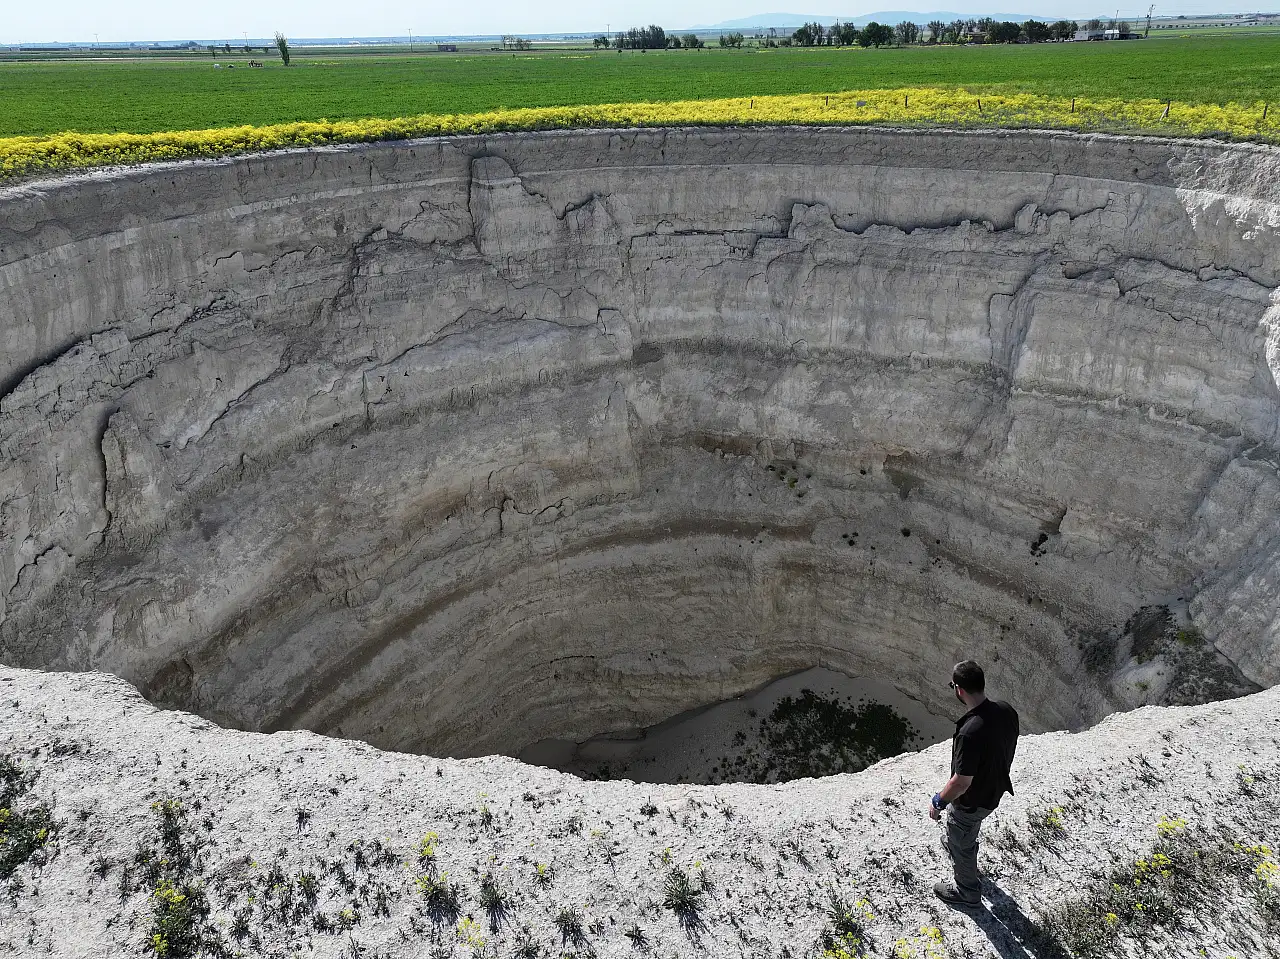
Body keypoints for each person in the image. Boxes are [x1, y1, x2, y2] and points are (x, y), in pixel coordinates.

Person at [927, 660, 1019, 907]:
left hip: (973, 800)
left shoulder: (970, 732)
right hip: (994, 790)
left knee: (961, 837)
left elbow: (961, 782)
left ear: (959, 689)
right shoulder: (1006, 710)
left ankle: (967, 892)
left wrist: (938, 801)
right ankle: (962, 849)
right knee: (967, 831)